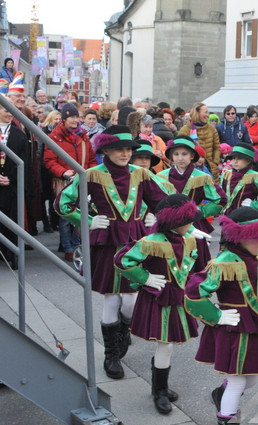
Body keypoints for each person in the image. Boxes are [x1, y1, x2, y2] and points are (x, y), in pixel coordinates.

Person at [54, 125, 170, 380]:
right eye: (119, 149)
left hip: (134, 243)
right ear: (106, 150)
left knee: (130, 301)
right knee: (112, 299)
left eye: (128, 149)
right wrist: (87, 220)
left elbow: (163, 202)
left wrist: (159, 217)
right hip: (106, 242)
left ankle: (124, 330)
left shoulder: (141, 173)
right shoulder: (91, 174)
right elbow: (62, 203)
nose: (125, 153)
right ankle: (112, 355)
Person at [184, 206, 258, 425]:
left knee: (252, 377)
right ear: (240, 237)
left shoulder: (256, 255)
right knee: (238, 381)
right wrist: (216, 315)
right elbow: (193, 293)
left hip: (252, 323)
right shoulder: (224, 262)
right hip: (233, 326)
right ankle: (226, 418)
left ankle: (221, 394)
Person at [114, 194, 200, 414]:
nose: (191, 224)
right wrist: (145, 278)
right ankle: (159, 391)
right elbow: (122, 260)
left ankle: (159, 387)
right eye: (188, 220)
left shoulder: (189, 239)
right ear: (175, 222)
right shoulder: (151, 241)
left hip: (177, 298)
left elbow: (190, 268)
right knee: (166, 345)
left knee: (168, 345)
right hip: (159, 298)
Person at [157, 137, 227, 273]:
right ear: (171, 157)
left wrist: (197, 211)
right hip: (168, 226)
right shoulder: (161, 176)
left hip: (194, 225)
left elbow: (220, 200)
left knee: (195, 266)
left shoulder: (202, 177)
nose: (180, 158)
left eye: (184, 154)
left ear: (192, 156)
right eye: (176, 154)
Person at [44, 103, 98, 261]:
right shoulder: (54, 137)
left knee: (81, 214)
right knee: (65, 217)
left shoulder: (83, 136)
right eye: (72, 117)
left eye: (77, 117)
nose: (76, 120)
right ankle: (68, 248)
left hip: (82, 180)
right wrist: (62, 172)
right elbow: (49, 161)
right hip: (64, 181)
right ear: (64, 119)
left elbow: (92, 159)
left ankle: (77, 245)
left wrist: (90, 172)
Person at [0, 102, 30, 270]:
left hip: (11, 185)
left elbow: (25, 161)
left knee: (12, 221)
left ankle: (12, 253)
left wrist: (12, 179)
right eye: (6, 110)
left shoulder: (18, 134)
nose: (9, 114)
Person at [178, 102, 221, 182]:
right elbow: (180, 150)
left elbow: (216, 147)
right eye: (205, 112)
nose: (208, 115)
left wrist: (215, 163)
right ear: (197, 113)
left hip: (210, 169)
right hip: (190, 170)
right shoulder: (185, 130)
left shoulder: (212, 129)